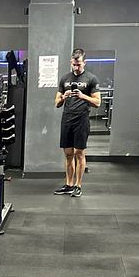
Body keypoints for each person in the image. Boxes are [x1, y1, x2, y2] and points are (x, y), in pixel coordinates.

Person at [54, 48, 101, 197]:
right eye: (74, 64)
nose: (76, 67)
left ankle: (78, 185)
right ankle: (69, 184)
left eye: (79, 64)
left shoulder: (91, 79)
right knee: (68, 154)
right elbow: (56, 103)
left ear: (84, 63)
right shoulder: (64, 79)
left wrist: (83, 96)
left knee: (79, 153)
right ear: (71, 62)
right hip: (67, 118)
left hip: (81, 119)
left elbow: (97, 102)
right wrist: (64, 97)